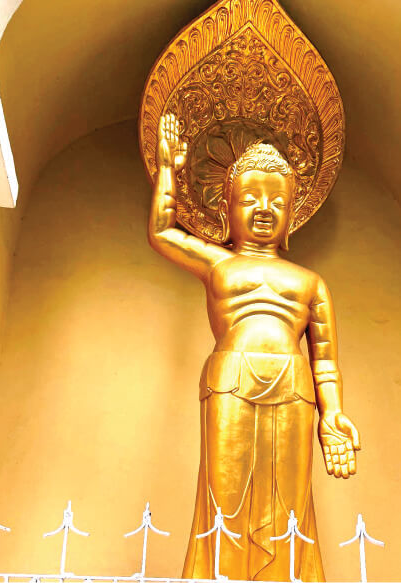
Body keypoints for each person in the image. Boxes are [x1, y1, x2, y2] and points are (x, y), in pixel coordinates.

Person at [148, 113, 360, 582]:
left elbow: (325, 361)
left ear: (291, 216)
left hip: (295, 387)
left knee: (289, 497)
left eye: (277, 202)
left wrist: (333, 414)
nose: (264, 209)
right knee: (225, 493)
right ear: (227, 210)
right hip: (230, 381)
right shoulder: (217, 262)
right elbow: (163, 233)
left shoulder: (310, 283)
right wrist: (167, 170)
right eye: (249, 199)